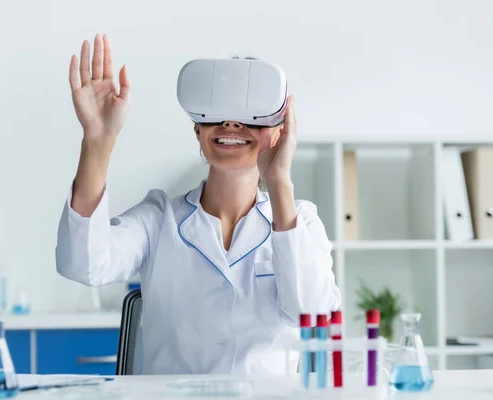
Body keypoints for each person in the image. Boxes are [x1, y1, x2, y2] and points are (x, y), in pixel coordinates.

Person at [56, 34, 341, 375]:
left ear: (278, 131)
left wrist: (280, 182)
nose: (231, 124)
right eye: (217, 112)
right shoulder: (158, 219)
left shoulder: (301, 222)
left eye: (250, 115)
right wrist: (98, 140)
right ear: (197, 129)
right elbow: (83, 263)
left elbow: (310, 313)